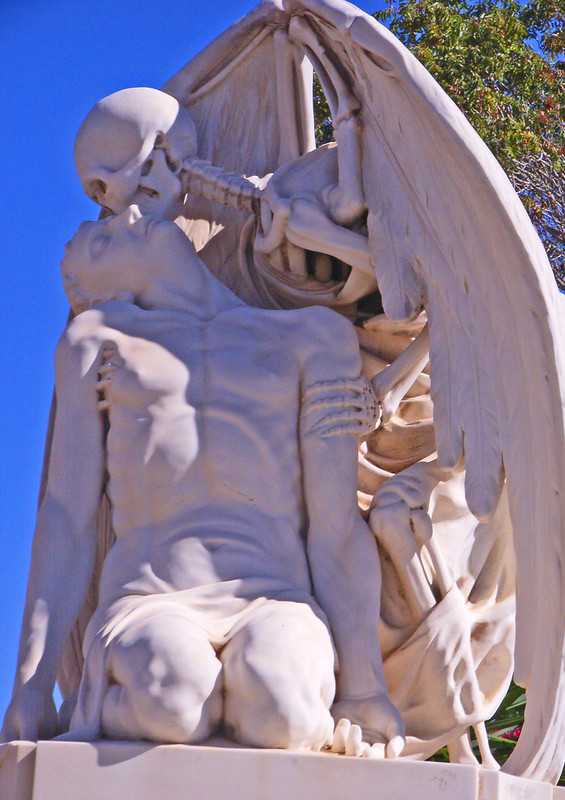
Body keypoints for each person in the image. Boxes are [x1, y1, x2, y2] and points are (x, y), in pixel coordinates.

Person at [1, 205, 403, 756]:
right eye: (101, 240)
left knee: (282, 709)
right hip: (151, 598)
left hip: (276, 599)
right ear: (94, 291)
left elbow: (335, 525)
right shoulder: (97, 340)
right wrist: (31, 684)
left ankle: (264, 708)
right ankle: (94, 706)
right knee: (172, 698)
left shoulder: (313, 338)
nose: (131, 213)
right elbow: (67, 515)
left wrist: (364, 689)